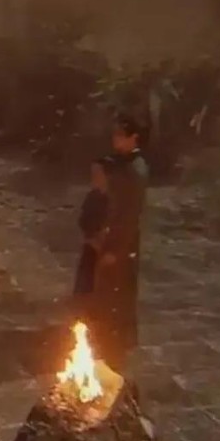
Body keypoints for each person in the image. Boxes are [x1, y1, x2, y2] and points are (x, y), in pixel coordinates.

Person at [92, 115, 150, 370]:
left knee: (120, 292)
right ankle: (111, 335)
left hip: (123, 243)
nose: (115, 140)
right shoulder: (124, 163)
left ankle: (119, 342)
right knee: (109, 289)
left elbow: (129, 216)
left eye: (120, 136)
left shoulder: (136, 171)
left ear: (133, 138)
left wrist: (116, 250)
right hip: (113, 236)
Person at [73, 161, 109, 296]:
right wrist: (91, 237)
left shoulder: (114, 198)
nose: (94, 178)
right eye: (93, 174)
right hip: (91, 243)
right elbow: (83, 220)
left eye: (98, 174)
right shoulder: (92, 196)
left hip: (107, 246)